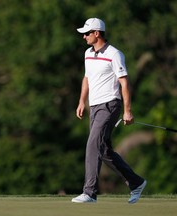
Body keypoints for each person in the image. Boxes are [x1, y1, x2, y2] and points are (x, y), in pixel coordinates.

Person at [71, 18, 147, 204]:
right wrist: (82, 101)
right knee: (103, 150)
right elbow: (86, 78)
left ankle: (89, 192)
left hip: (110, 105)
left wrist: (127, 111)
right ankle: (136, 182)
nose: (84, 36)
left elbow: (124, 82)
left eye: (87, 33)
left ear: (97, 33)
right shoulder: (88, 53)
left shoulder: (114, 54)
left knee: (92, 144)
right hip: (94, 107)